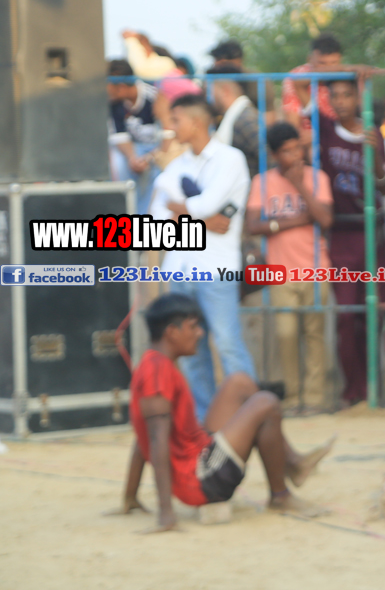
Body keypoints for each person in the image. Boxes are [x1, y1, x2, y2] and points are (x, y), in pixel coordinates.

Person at [114, 294, 333, 532]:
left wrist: (130, 496)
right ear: (172, 332)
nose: (200, 333)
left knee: (240, 382)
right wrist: (166, 514)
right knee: (267, 403)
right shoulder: (157, 373)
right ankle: (280, 495)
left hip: (199, 453)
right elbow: (155, 441)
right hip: (201, 480)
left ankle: (292, 462)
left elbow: (143, 437)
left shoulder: (153, 363)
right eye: (193, 327)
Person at [148, 95, 255, 423]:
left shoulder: (230, 159)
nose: (170, 127)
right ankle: (206, 423)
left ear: (195, 122)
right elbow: (156, 220)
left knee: (228, 344)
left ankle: (251, 416)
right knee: (191, 352)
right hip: (180, 268)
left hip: (215, 268)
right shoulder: (177, 166)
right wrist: (203, 220)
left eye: (176, 120)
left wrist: (182, 211)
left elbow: (205, 205)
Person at [245, 122, 335, 412]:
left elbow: (325, 219)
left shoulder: (318, 177)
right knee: (285, 335)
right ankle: (293, 397)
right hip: (280, 272)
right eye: (287, 151)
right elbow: (252, 225)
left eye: (298, 148)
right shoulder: (262, 182)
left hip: (316, 268)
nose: (296, 155)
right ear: (274, 155)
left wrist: (299, 185)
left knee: (314, 335)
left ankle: (314, 398)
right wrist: (297, 220)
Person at [319, 79, 385, 407]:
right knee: (347, 314)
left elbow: (384, 185)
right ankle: (353, 388)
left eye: (347, 95)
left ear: (358, 97)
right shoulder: (326, 132)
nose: (341, 101)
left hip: (372, 232)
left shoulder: (372, 133)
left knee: (373, 314)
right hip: (341, 233)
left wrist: (374, 155)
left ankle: (372, 386)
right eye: (335, 96)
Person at [107, 59, 161, 214]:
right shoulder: (114, 104)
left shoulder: (154, 97)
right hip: (133, 150)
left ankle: (146, 216)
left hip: (156, 150)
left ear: (120, 86)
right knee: (117, 161)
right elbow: (120, 137)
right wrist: (132, 158)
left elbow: (166, 139)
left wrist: (149, 158)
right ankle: (124, 212)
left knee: (157, 171)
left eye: (107, 83)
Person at [207, 64, 260, 177]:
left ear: (225, 90)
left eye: (210, 90)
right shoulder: (235, 117)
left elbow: (268, 161)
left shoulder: (246, 120)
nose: (208, 96)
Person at [282, 34, 342, 127]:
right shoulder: (294, 76)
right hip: (307, 132)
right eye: (322, 63)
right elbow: (293, 123)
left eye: (333, 63)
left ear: (340, 59)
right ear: (309, 59)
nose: (328, 69)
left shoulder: (346, 77)